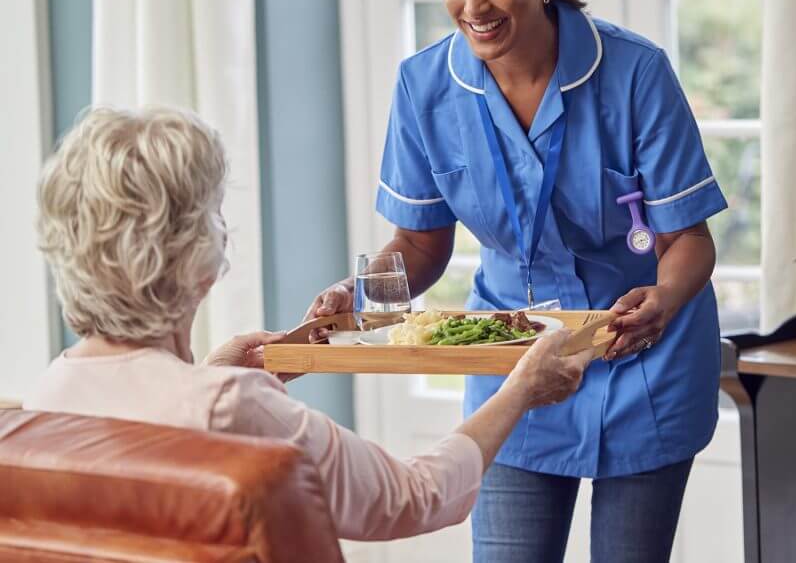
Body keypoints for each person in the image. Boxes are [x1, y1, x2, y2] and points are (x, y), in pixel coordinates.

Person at [306, 0, 729, 560]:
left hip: (642, 358)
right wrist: (358, 296)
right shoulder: (425, 88)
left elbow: (688, 241)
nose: (473, 6)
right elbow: (419, 242)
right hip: (515, 364)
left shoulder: (636, 73)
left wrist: (665, 297)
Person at [23, 105, 592, 544]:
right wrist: (519, 390)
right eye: (213, 215)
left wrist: (204, 373)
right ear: (193, 259)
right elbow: (414, 497)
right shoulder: (232, 407)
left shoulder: (49, 398)